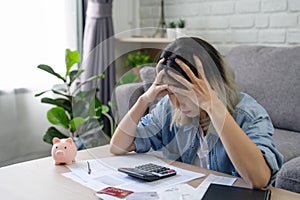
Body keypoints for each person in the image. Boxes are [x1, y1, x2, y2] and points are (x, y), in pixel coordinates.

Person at [110, 37, 283, 189]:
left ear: (210, 84)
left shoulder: (248, 114)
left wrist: (212, 106)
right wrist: (144, 100)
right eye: (171, 93)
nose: (176, 103)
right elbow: (118, 146)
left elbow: (259, 180)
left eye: (184, 93)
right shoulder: (169, 109)